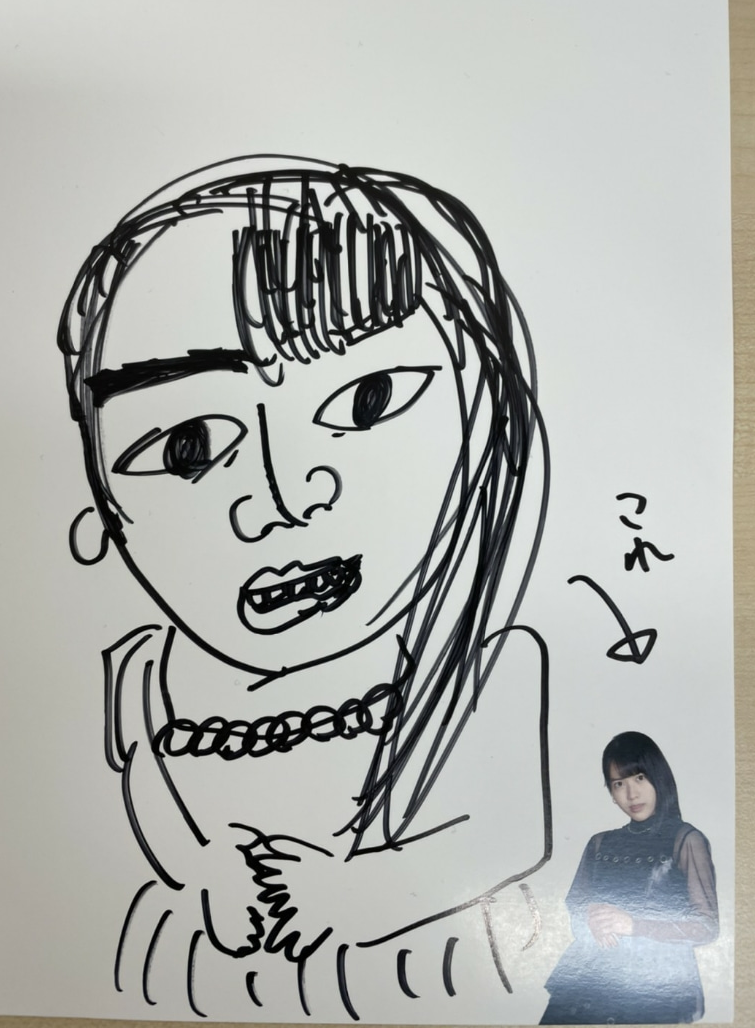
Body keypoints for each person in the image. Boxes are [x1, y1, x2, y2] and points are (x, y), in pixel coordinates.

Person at [58, 155, 552, 1015]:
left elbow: (507, 833)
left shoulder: (482, 658)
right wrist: (202, 870)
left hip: (412, 977)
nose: (285, 498)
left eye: (368, 400)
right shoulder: (140, 678)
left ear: (479, 417)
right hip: (194, 977)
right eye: (185, 448)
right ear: (101, 508)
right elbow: (152, 798)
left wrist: (351, 896)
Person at [540, 732, 718, 1025]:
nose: (631, 794)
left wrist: (633, 925)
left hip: (654, 989)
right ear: (611, 793)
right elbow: (575, 905)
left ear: (659, 778)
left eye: (639, 778)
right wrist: (590, 920)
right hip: (587, 983)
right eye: (619, 783)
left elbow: (707, 927)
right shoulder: (599, 843)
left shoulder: (686, 840)